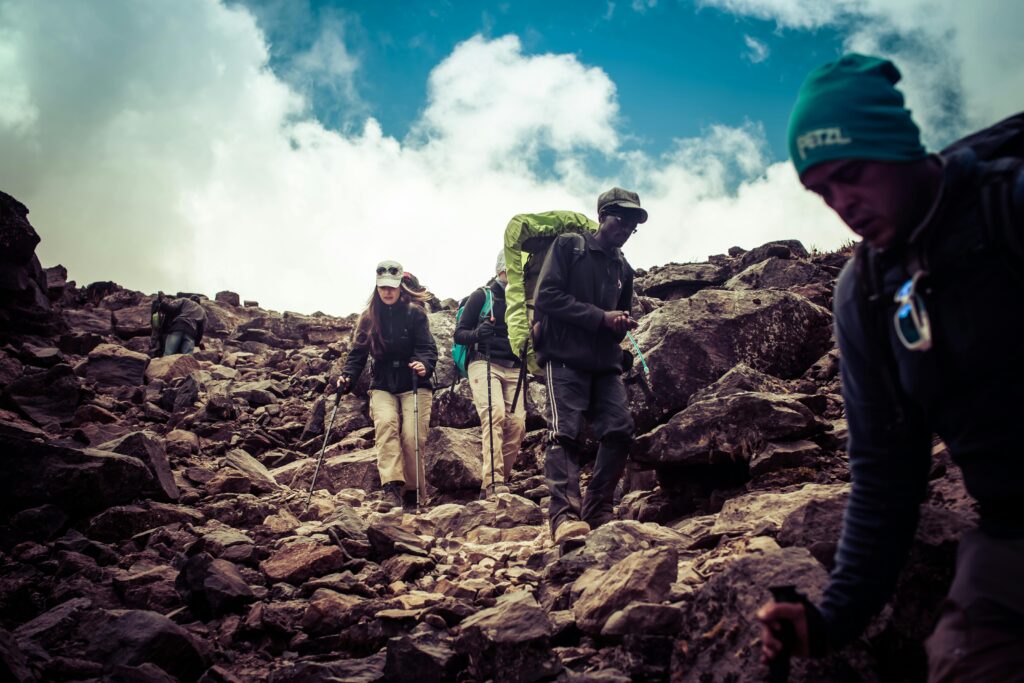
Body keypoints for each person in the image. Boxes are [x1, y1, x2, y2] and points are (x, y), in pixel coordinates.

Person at [756, 53, 1024, 681]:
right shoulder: (866, 292)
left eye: (853, 174)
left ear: (898, 146)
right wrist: (828, 621)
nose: (842, 204)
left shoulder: (1008, 207)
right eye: (822, 191)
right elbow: (884, 476)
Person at [534, 187, 646, 545]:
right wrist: (601, 318)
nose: (626, 227)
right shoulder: (570, 247)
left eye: (632, 223)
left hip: (604, 364)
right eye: (620, 219)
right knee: (563, 434)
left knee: (619, 430)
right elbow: (547, 297)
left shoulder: (623, 268)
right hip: (564, 357)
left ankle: (597, 509)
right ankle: (564, 517)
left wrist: (620, 324)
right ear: (602, 216)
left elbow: (619, 315)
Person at [338, 260, 438, 512]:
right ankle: (391, 487)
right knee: (386, 425)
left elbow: (427, 348)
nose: (388, 291)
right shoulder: (368, 318)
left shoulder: (415, 313)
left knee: (412, 435)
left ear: (400, 287)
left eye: (392, 287)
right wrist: (347, 377)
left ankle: (413, 492)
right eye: (383, 287)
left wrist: (424, 364)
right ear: (377, 287)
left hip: (415, 381)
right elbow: (357, 354)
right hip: (382, 382)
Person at [453, 249, 527, 499]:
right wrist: (478, 335)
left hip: (515, 367)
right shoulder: (481, 296)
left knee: (517, 425)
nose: (516, 275)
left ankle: (498, 482)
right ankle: (493, 481)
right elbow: (459, 334)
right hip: (483, 363)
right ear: (501, 270)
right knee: (494, 415)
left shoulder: (524, 300)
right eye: (511, 270)